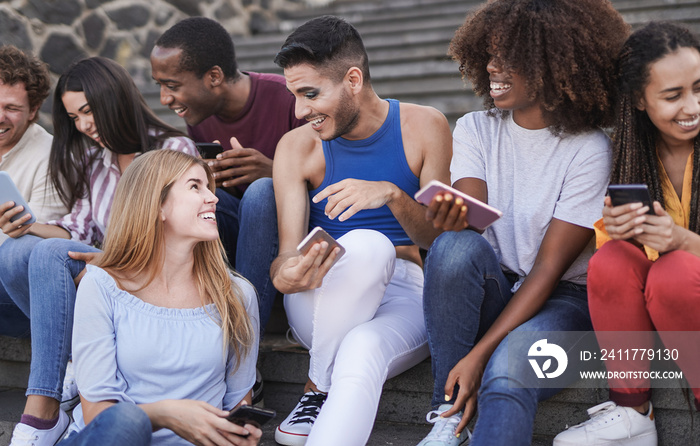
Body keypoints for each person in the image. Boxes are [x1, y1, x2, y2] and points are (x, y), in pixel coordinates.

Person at [414, 1, 629, 445]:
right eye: (490, 52)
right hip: (498, 284)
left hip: (562, 301)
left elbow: (548, 272)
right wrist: (448, 217)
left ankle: (476, 386)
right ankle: (447, 417)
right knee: (454, 248)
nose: (493, 65)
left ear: (554, 65)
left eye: (510, 57)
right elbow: (470, 219)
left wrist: (478, 354)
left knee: (508, 369)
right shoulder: (475, 128)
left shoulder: (588, 150)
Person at [269, 15, 453, 446]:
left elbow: (439, 243)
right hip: (320, 294)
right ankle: (318, 384)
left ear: (353, 79)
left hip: (405, 293)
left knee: (362, 349)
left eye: (310, 94)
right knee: (367, 246)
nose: (300, 111)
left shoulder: (426, 126)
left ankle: (319, 390)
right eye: (294, 95)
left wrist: (391, 194)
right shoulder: (295, 147)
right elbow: (284, 256)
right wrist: (286, 275)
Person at [0, 56, 197, 446]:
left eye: (88, 111)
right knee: (17, 250)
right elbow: (76, 228)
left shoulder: (174, 149)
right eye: (74, 118)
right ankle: (71, 363)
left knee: (48, 255)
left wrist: (111, 262)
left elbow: (181, 241)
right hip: (105, 279)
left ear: (116, 98)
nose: (84, 125)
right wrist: (22, 224)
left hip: (155, 284)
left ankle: (42, 409)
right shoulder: (97, 162)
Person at [553, 21, 700, 446]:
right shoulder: (634, 154)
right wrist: (620, 232)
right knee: (611, 260)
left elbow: (677, 257)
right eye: (673, 96)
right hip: (676, 297)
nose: (691, 106)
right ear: (639, 99)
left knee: (674, 273)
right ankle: (633, 414)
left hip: (683, 286)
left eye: (698, 87)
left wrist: (681, 241)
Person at [57, 149, 261, 446]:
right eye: (195, 186)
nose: (213, 198)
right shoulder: (101, 285)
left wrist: (243, 431)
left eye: (209, 187)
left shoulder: (237, 294)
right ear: (157, 206)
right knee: (125, 420)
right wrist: (166, 414)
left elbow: (238, 402)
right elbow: (99, 416)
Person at [151, 18, 306, 330]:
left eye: (173, 86)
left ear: (214, 76)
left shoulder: (287, 99)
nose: (165, 100)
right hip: (237, 233)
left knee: (261, 191)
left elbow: (331, 180)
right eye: (160, 86)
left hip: (294, 237)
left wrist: (273, 172)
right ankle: (182, 316)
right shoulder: (199, 115)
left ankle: (246, 331)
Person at [0, 45, 66, 338]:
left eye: (11, 108)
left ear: (34, 111)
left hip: (18, 289)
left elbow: (32, 253)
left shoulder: (51, 157)